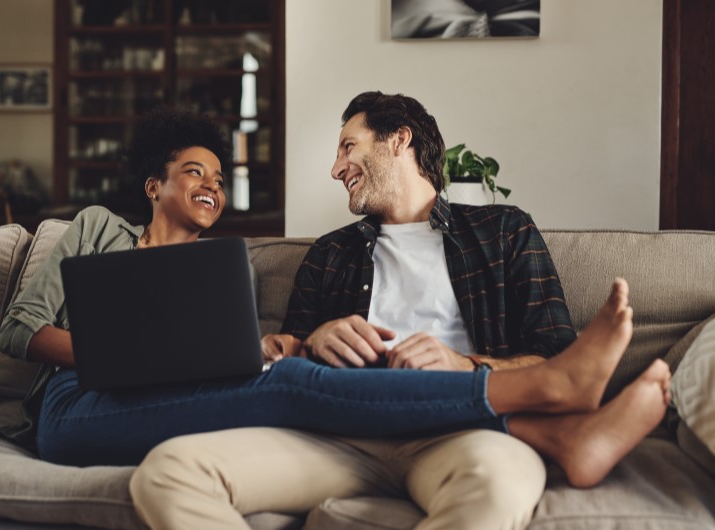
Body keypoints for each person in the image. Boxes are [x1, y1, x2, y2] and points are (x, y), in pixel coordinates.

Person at [127, 94, 672, 530]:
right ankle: (566, 437)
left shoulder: (503, 231)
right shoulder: (330, 252)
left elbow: (554, 355)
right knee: (169, 472)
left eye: (348, 146)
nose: (336, 167)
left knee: (497, 490)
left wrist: (463, 364)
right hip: (338, 434)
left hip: (462, 436)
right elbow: (283, 363)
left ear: (399, 140)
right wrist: (314, 337)